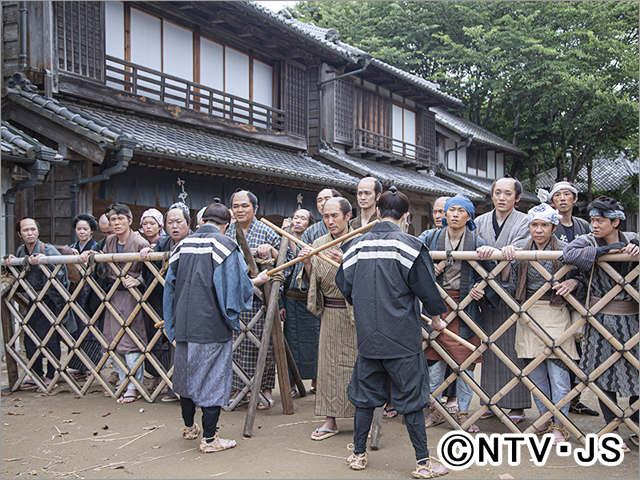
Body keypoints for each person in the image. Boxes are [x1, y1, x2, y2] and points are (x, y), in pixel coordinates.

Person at [335, 187, 450, 477]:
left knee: (365, 397)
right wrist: (436, 319)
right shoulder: (411, 246)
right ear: (405, 217)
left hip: (368, 337)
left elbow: (345, 286)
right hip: (402, 338)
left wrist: (363, 306)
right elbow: (426, 288)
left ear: (378, 212)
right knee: (412, 400)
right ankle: (423, 464)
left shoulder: (355, 246)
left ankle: (358, 455)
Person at [163, 200, 270, 453]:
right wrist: (257, 280)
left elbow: (169, 287)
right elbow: (236, 286)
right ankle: (210, 439)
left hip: (184, 323)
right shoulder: (225, 245)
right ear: (227, 224)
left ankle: (189, 428)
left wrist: (172, 323)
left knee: (185, 376)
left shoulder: (181, 246)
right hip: (211, 324)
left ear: (201, 222)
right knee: (212, 378)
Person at [500, 203, 582, 445]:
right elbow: (511, 286)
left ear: (553, 227)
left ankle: (560, 425)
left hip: (557, 312)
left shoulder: (567, 250)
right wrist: (506, 257)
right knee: (535, 375)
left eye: (544, 225)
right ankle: (544, 419)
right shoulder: (520, 252)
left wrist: (574, 283)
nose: (538, 230)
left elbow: (582, 274)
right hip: (528, 312)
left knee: (558, 374)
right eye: (534, 225)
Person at [563, 196, 639, 450]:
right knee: (603, 375)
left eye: (601, 221)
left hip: (632, 319)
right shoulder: (587, 240)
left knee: (636, 372)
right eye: (593, 220)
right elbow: (569, 254)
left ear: (616, 222)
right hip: (600, 318)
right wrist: (605, 251)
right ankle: (612, 429)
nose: (595, 225)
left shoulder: (631, 239)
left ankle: (637, 426)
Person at [421, 195, 498, 433]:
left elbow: (492, 272)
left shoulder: (477, 240)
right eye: (450, 210)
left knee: (467, 363)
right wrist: (427, 269)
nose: (454, 214)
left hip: (466, 307)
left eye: (460, 211)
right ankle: (436, 410)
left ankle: (464, 414)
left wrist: (481, 287)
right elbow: (413, 260)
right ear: (444, 214)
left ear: (469, 216)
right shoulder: (430, 237)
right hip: (436, 306)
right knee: (433, 363)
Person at [225, 189, 292, 408]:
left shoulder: (267, 231)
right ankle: (238, 389)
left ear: (255, 208)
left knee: (263, 345)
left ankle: (264, 389)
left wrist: (272, 250)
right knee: (236, 345)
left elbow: (288, 263)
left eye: (244, 206)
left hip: (261, 300)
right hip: (236, 298)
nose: (240, 210)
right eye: (236, 206)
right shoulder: (227, 233)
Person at [297, 197, 357, 441]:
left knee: (360, 368)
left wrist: (347, 264)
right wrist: (308, 263)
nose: (330, 221)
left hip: (357, 315)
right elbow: (314, 284)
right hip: (331, 314)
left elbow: (370, 280)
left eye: (335, 216)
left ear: (348, 216)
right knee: (329, 368)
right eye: (326, 216)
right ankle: (330, 421)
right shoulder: (318, 243)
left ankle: (363, 420)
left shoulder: (361, 242)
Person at [475, 177, 531, 422]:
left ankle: (516, 405)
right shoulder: (479, 221)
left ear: (517, 198)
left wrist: (502, 251)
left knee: (513, 348)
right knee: (489, 347)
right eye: (497, 192)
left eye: (508, 193)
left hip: (513, 291)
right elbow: (474, 244)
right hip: (487, 292)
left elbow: (523, 245)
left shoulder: (525, 221)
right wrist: (484, 250)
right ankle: (490, 400)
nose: (501, 197)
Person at [542, 182, 597, 416]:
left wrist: (578, 281)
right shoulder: (547, 223)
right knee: (557, 347)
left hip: (581, 289)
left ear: (575, 199)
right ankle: (558, 399)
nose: (562, 199)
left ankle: (575, 396)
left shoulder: (584, 225)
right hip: (553, 289)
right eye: (557, 195)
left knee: (580, 344)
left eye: (567, 195)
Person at [4, 218, 76, 389]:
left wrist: (46, 261)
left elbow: (62, 274)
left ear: (37, 231)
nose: (30, 233)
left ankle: (52, 374)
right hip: (33, 299)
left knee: (50, 338)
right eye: (25, 230)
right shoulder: (22, 250)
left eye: (32, 229)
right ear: (19, 234)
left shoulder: (48, 249)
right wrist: (10, 260)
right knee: (29, 337)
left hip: (51, 299)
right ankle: (36, 373)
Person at [140, 202, 192, 402]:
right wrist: (146, 253)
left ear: (188, 224)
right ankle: (173, 389)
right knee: (172, 342)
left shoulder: (195, 241)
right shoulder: (162, 244)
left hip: (191, 300)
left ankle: (189, 391)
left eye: (179, 221)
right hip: (168, 300)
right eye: (170, 222)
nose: (174, 226)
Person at [100, 202, 150, 404]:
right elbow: (97, 260)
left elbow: (151, 270)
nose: (117, 222)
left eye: (121, 218)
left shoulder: (139, 242)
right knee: (115, 340)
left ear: (130, 220)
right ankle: (122, 381)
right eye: (113, 219)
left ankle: (133, 386)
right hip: (113, 295)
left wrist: (139, 280)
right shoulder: (109, 241)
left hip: (133, 297)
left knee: (132, 341)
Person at [279, 208, 321, 397]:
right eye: (295, 217)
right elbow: (279, 274)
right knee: (291, 343)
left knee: (314, 343)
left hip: (310, 301)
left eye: (303, 218)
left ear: (310, 224)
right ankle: (292, 384)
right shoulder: (282, 241)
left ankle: (316, 382)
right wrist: (280, 303)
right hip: (290, 300)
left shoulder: (314, 242)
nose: (298, 221)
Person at [67, 214, 101, 377]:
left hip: (90, 292)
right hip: (75, 292)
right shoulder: (72, 247)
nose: (82, 232)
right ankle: (78, 366)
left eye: (85, 229)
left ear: (92, 231)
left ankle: (91, 366)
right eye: (79, 229)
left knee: (90, 327)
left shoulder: (95, 247)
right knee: (76, 328)